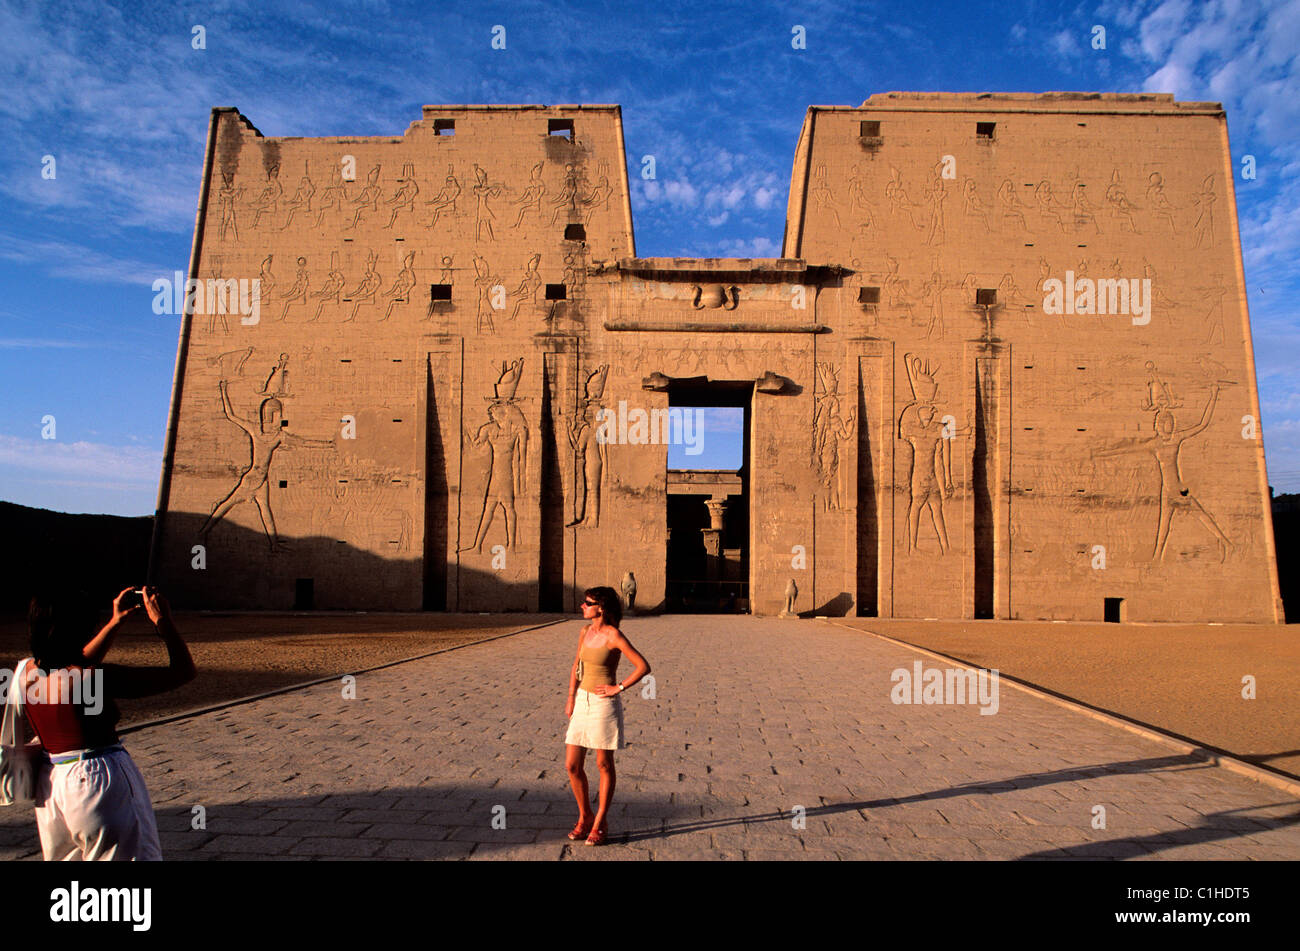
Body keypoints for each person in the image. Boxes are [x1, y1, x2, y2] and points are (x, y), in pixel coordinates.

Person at [20, 585, 196, 860]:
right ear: (81, 628)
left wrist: (115, 623)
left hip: (52, 784)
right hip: (98, 780)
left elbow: (71, 665)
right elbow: (183, 672)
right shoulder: (94, 678)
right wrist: (163, 622)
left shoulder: (26, 671)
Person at [564, 585, 650, 846]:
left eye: (587, 603)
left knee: (603, 764)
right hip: (581, 701)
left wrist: (618, 687)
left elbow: (643, 666)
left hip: (603, 705)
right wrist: (570, 697)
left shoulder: (614, 635)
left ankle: (600, 822)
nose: (582, 606)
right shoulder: (584, 631)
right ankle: (585, 815)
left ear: (600, 607)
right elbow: (576, 666)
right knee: (572, 765)